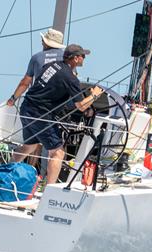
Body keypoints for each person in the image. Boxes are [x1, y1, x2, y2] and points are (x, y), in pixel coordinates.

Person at [13, 44, 103, 185]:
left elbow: (48, 87)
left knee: (29, 146)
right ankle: (49, 190)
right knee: (57, 153)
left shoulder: (52, 65)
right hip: (41, 115)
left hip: (27, 108)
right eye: (82, 56)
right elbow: (81, 106)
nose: (84, 58)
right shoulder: (70, 78)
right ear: (75, 58)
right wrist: (94, 96)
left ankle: (4, 170)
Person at [7, 28, 65, 107]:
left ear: (46, 43)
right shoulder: (67, 58)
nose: (42, 42)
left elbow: (24, 83)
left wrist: (13, 99)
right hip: (59, 104)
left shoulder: (36, 57)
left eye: (42, 40)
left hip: (38, 102)